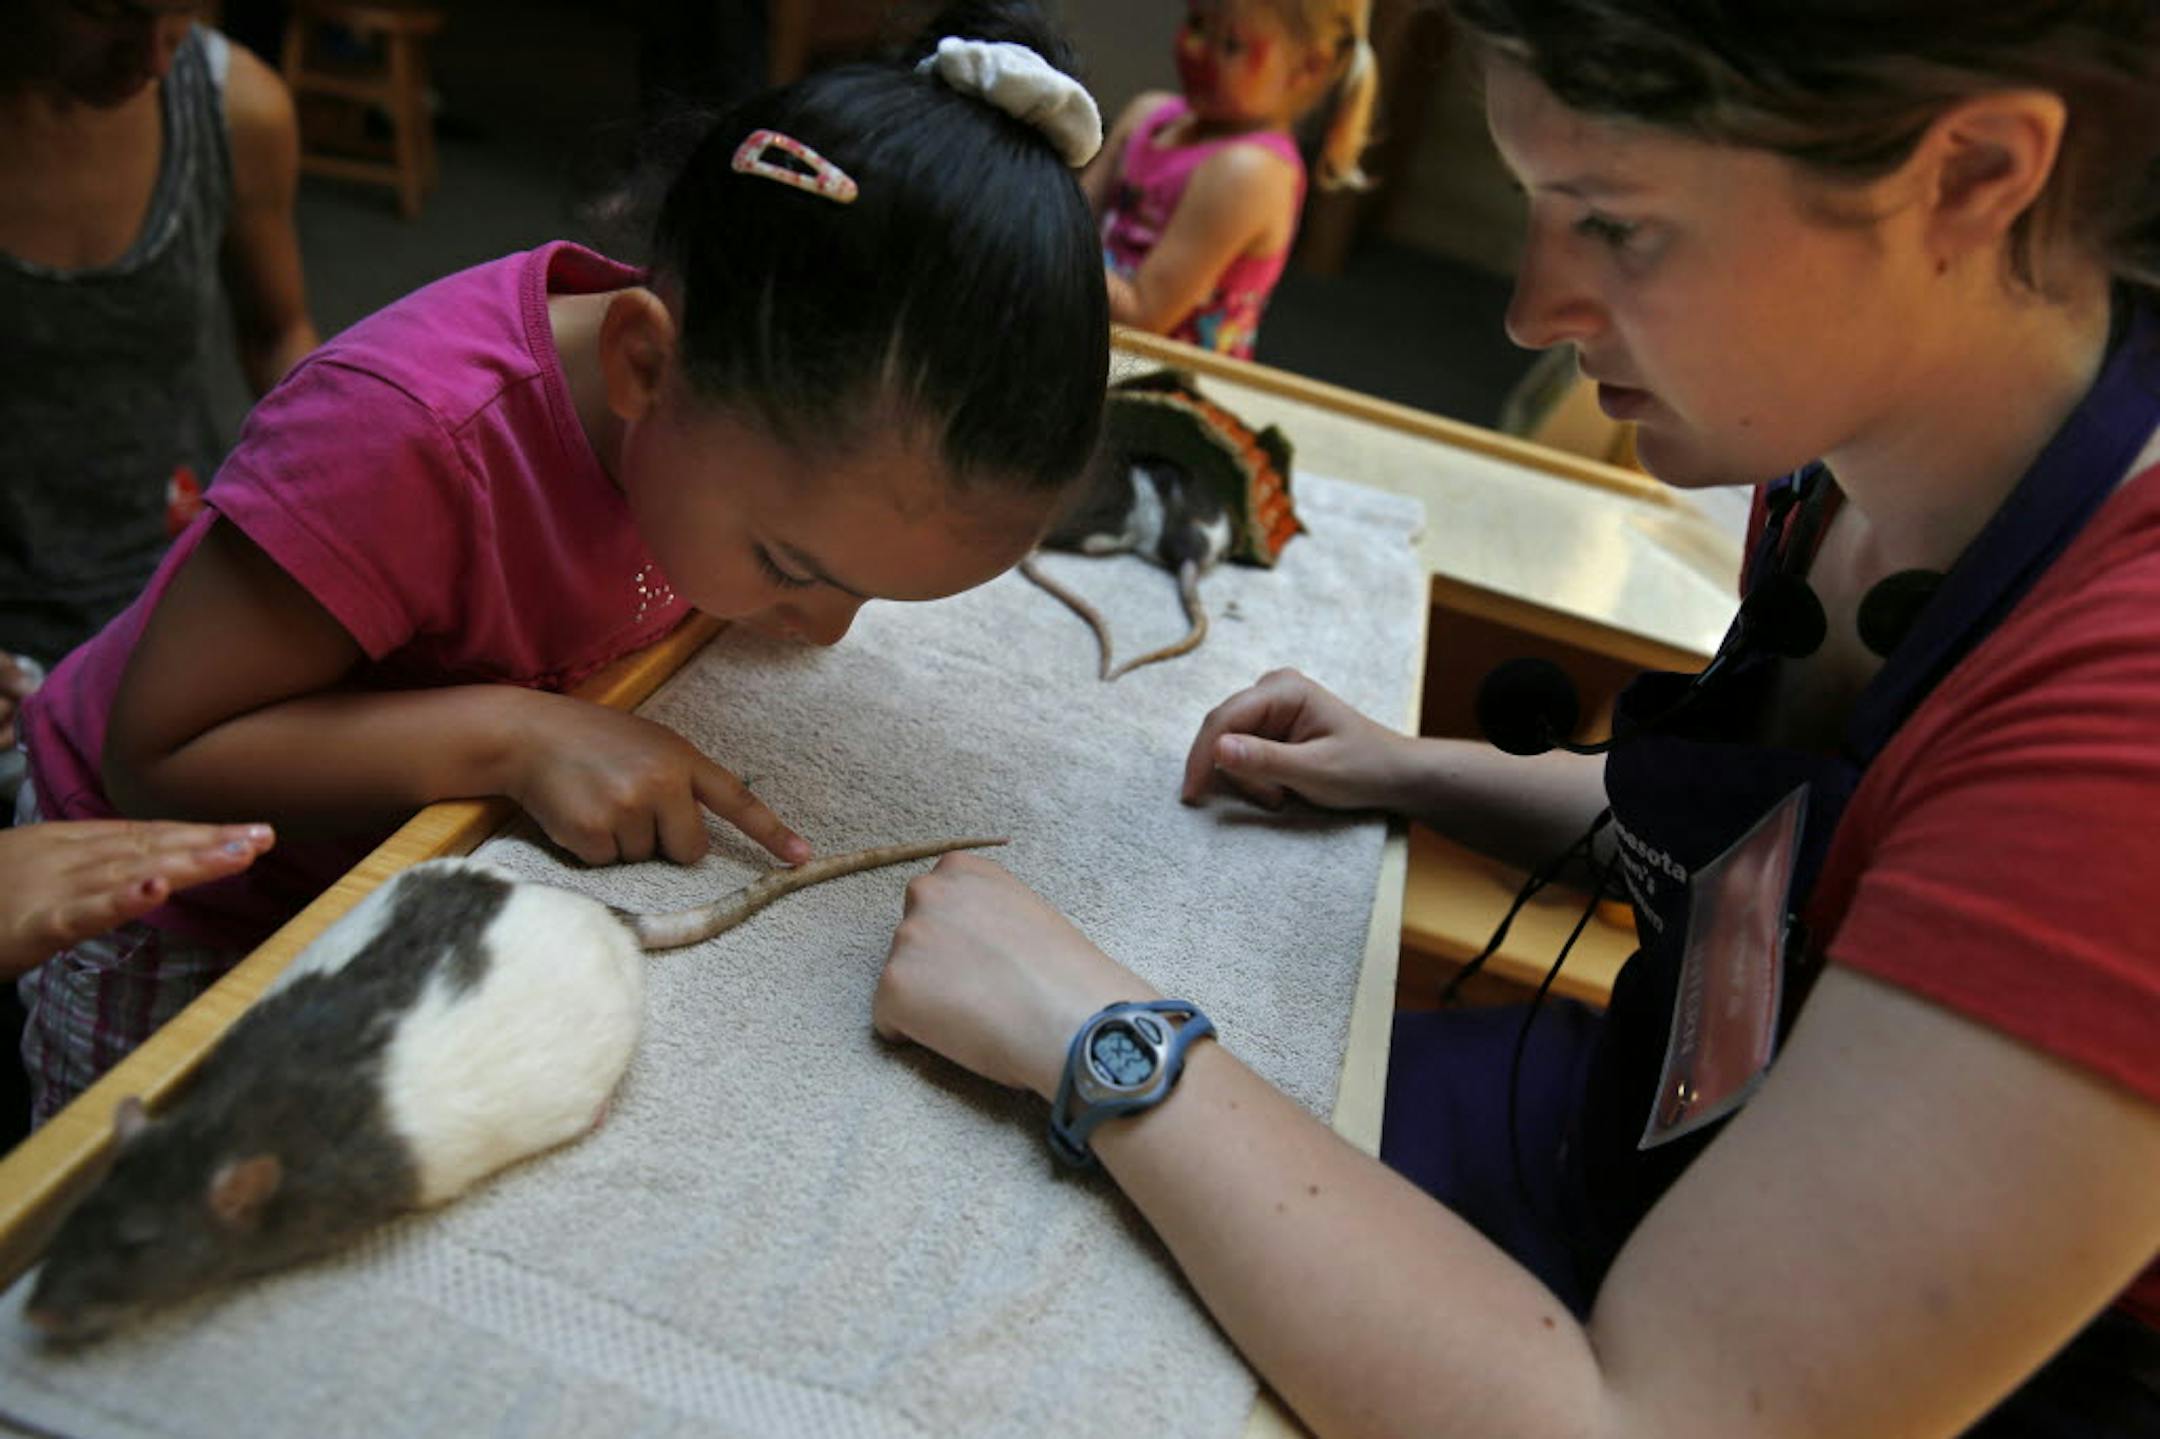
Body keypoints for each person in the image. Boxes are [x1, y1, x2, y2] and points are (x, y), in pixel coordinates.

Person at [871, 3, 2160, 1434]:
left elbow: (1649, 1415)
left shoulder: (2126, 741)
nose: (1531, 309)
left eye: (1613, 223)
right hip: (1612, 1146)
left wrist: (1104, 1034)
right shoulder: (1856, 448)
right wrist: (1423, 768)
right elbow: (1826, 855)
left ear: (1978, 174)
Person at [12, 0, 1109, 1125]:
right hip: (170, 894)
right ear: (641, 365)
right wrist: (516, 734)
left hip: (373, 865)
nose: (823, 629)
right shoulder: (407, 440)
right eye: (794, 566)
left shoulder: (719, 420)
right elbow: (157, 750)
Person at [0, 0, 320, 688]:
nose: (152, 58)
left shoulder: (235, 107)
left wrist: (349, 485)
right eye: (109, 13)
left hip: (170, 582)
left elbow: (277, 332)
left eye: (179, 10)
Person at [1079, 0, 1376, 359]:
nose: (1195, 48)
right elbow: (1068, 217)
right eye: (1197, 23)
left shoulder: (1248, 173)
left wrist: (1045, 254)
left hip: (1153, 385)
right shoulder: (1149, 114)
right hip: (1088, 338)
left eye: (1231, 44)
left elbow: (1142, 316)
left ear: (1310, 67)